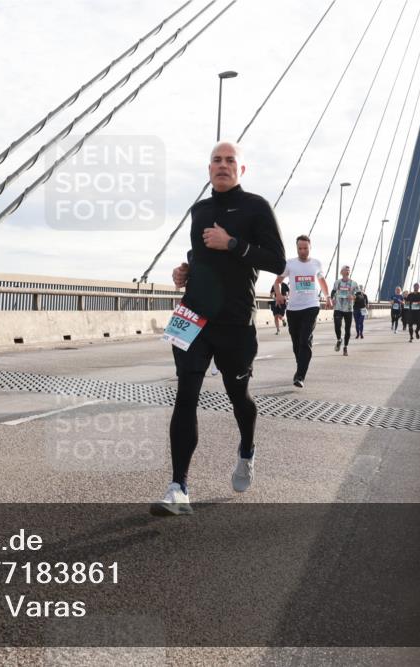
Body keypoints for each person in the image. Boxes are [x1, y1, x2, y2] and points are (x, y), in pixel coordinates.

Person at [151, 141, 285, 516]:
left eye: (230, 161)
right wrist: (186, 270)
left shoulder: (256, 207)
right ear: (208, 169)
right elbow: (201, 254)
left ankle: (247, 449)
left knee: (238, 395)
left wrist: (233, 244)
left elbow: (276, 261)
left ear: (242, 170)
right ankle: (178, 487)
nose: (222, 165)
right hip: (192, 316)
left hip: (235, 322)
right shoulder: (200, 210)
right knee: (185, 396)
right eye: (216, 160)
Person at [275, 236, 332, 384]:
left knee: (304, 341)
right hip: (293, 308)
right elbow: (277, 281)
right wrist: (279, 294)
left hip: (311, 306)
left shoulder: (316, 264)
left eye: (305, 248)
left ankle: (300, 376)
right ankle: (300, 365)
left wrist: (328, 296)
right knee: (296, 343)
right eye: (300, 248)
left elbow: (322, 281)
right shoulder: (290, 264)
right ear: (297, 248)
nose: (303, 251)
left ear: (310, 247)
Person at [330, 265, 358, 355]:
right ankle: (339, 339)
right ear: (341, 272)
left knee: (347, 330)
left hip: (348, 309)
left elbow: (359, 295)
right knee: (337, 326)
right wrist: (332, 299)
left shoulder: (354, 283)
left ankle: (345, 347)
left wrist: (353, 297)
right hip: (338, 307)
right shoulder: (337, 282)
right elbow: (333, 292)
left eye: (348, 270)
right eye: (345, 270)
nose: (347, 271)